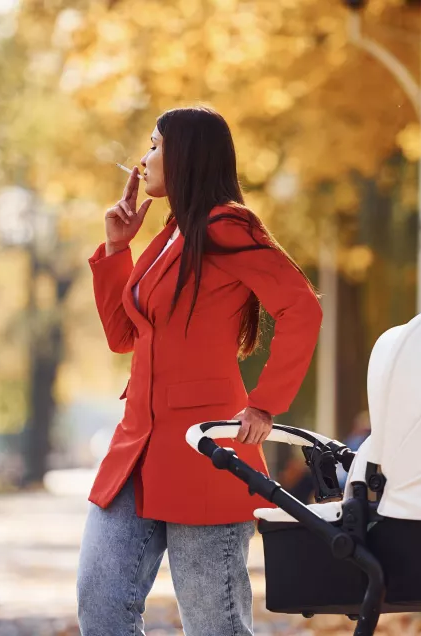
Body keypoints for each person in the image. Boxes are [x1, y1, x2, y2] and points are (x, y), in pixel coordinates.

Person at [76, 106, 323, 636]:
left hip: (204, 450)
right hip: (136, 447)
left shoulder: (226, 225)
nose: (143, 160)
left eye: (154, 146)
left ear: (185, 155)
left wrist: (265, 402)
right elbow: (126, 336)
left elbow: (301, 307)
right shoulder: (170, 235)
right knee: (100, 604)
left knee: (215, 625)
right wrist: (118, 248)